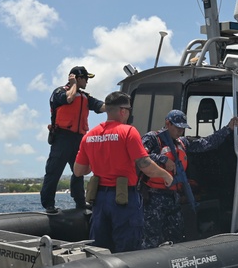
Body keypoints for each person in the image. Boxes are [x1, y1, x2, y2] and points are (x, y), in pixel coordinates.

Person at [73, 91, 174, 252]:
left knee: (100, 249)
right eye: (128, 110)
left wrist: (98, 160)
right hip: (123, 200)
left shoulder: (89, 136)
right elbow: (144, 164)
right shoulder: (128, 132)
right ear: (122, 111)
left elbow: (79, 171)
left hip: (99, 201)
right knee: (128, 250)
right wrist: (165, 175)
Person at [141, 110, 238, 247]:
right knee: (151, 238)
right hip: (154, 198)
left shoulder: (182, 142)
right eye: (177, 127)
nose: (180, 131)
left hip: (173, 197)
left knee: (177, 236)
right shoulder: (153, 139)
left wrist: (227, 129)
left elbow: (206, 143)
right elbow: (140, 156)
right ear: (167, 123)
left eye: (183, 128)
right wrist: (162, 159)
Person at [40, 66, 106, 213]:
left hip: (78, 139)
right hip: (62, 137)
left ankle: (80, 202)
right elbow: (68, 98)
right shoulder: (60, 92)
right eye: (86, 79)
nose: (87, 82)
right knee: (54, 171)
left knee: (79, 172)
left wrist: (117, 105)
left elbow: (100, 106)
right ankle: (48, 204)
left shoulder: (85, 97)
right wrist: (73, 84)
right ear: (78, 78)